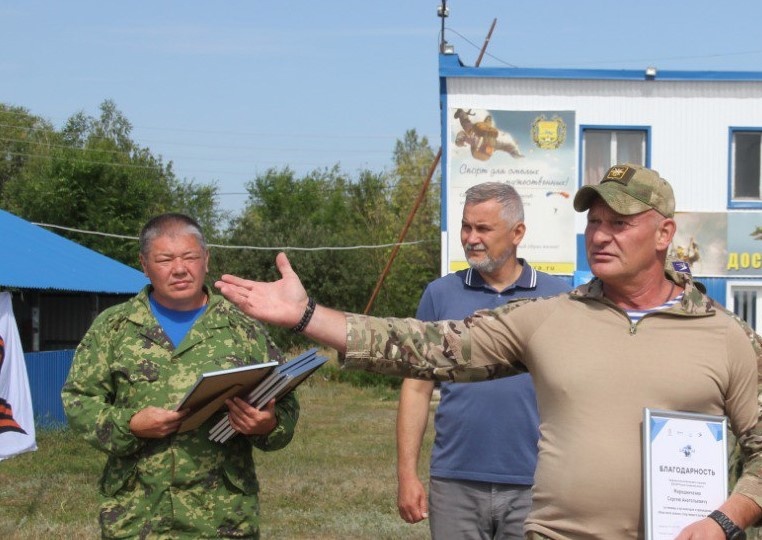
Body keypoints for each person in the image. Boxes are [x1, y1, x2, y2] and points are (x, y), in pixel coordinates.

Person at [215, 163, 762, 539]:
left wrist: (728, 518)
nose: (600, 235)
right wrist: (309, 317)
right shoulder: (550, 318)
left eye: (619, 223)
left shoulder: (726, 337)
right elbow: (424, 348)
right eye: (593, 223)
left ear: (665, 233)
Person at [62, 213, 299, 539]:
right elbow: (79, 399)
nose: (179, 269)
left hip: (221, 516)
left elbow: (284, 400)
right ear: (144, 264)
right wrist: (129, 425)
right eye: (164, 259)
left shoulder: (242, 328)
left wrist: (267, 425)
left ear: (206, 260)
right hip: (136, 516)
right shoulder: (113, 327)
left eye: (190, 257)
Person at [397, 182, 569, 539]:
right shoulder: (440, 294)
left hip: (535, 484)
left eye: (483, 228)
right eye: (466, 226)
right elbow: (416, 388)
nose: (471, 238)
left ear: (517, 232)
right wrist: (407, 475)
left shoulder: (558, 298)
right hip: (455, 481)